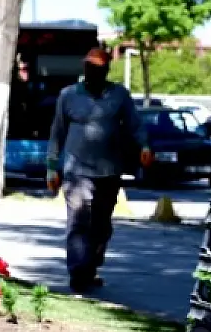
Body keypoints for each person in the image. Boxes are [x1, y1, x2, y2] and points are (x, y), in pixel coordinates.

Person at [47, 48, 153, 294]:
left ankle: (91, 268)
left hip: (109, 170)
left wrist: (144, 145)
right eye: (88, 67)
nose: (92, 72)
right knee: (78, 222)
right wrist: (52, 167)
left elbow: (135, 124)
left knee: (101, 226)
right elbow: (57, 133)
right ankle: (77, 274)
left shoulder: (119, 96)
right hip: (76, 171)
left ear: (106, 71)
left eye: (97, 68)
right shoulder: (68, 95)